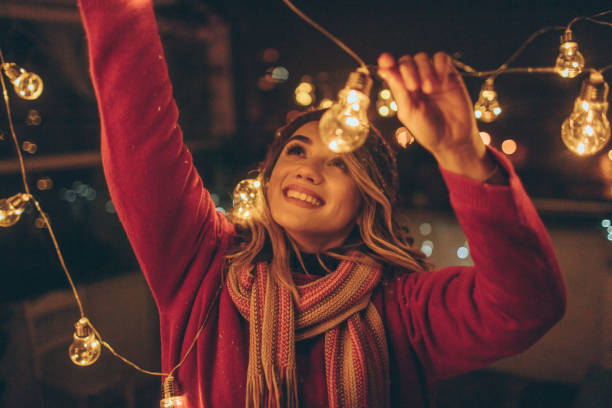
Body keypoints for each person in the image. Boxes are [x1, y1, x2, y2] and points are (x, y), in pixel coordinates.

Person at [77, 0, 566, 407]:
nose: (309, 168)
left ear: (366, 200)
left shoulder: (404, 310)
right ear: (269, 178)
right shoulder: (203, 265)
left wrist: (463, 155)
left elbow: (526, 307)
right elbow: (140, 130)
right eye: (296, 150)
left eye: (339, 163)